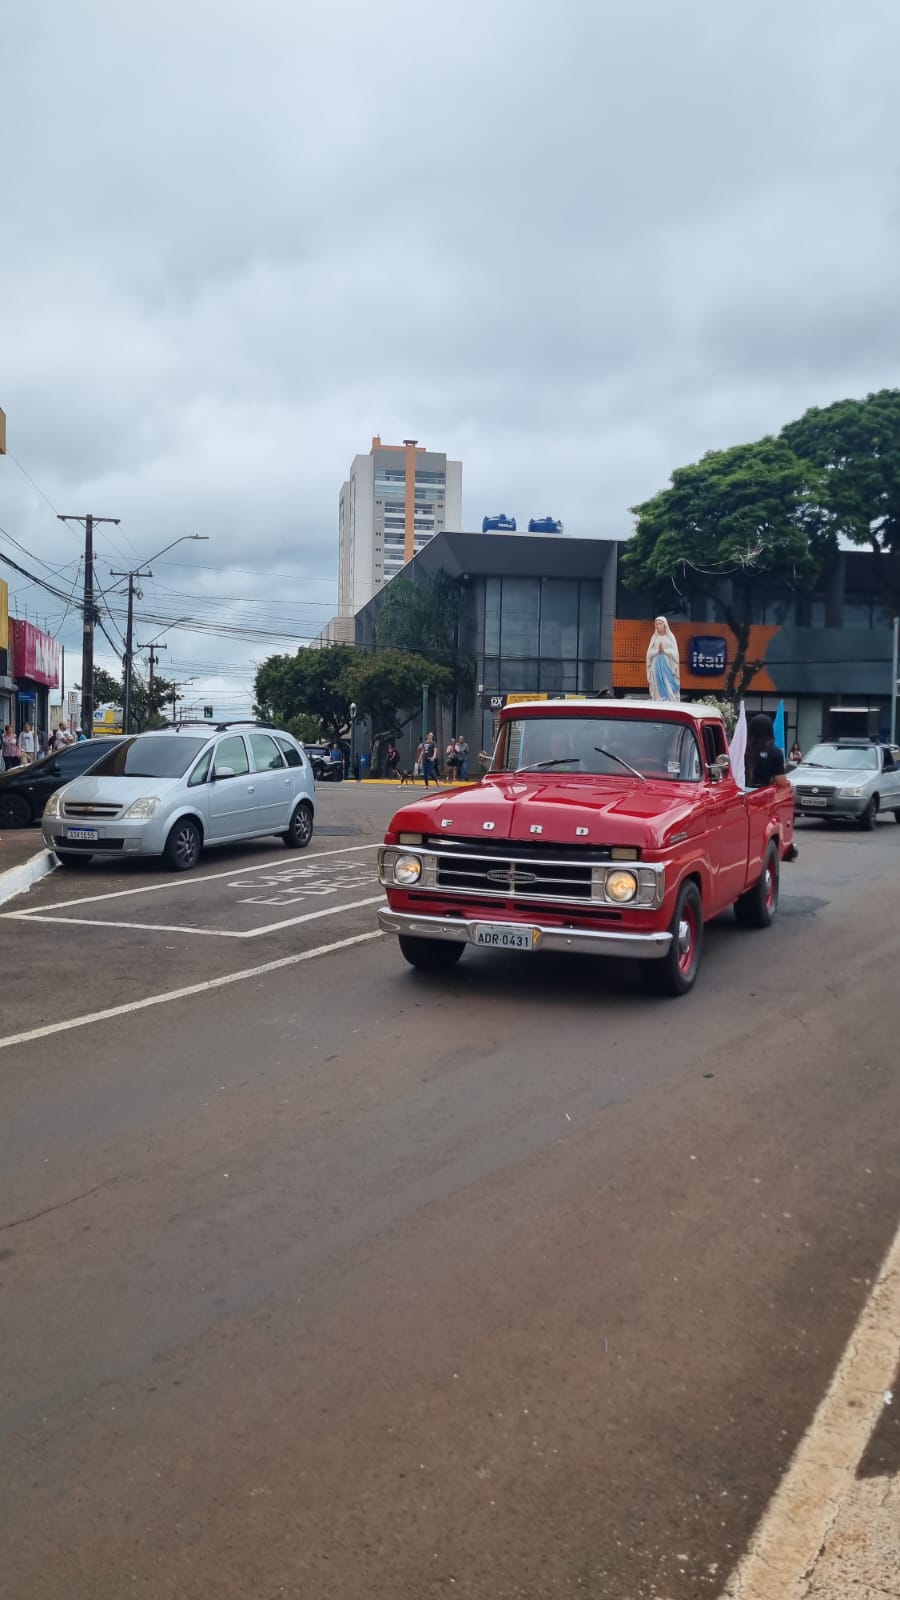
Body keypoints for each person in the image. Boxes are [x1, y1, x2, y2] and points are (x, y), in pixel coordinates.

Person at [745, 713, 790, 790]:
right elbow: (781, 782)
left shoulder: (743, 750)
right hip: (763, 794)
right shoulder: (776, 753)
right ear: (770, 730)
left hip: (741, 794)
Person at [645, 617, 681, 702]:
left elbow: (675, 653)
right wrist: (657, 651)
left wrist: (664, 650)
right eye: (656, 624)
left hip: (668, 666)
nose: (658, 626)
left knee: (669, 687)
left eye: (660, 624)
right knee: (657, 687)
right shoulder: (654, 638)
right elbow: (649, 654)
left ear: (665, 625)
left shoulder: (670, 637)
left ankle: (671, 703)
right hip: (656, 666)